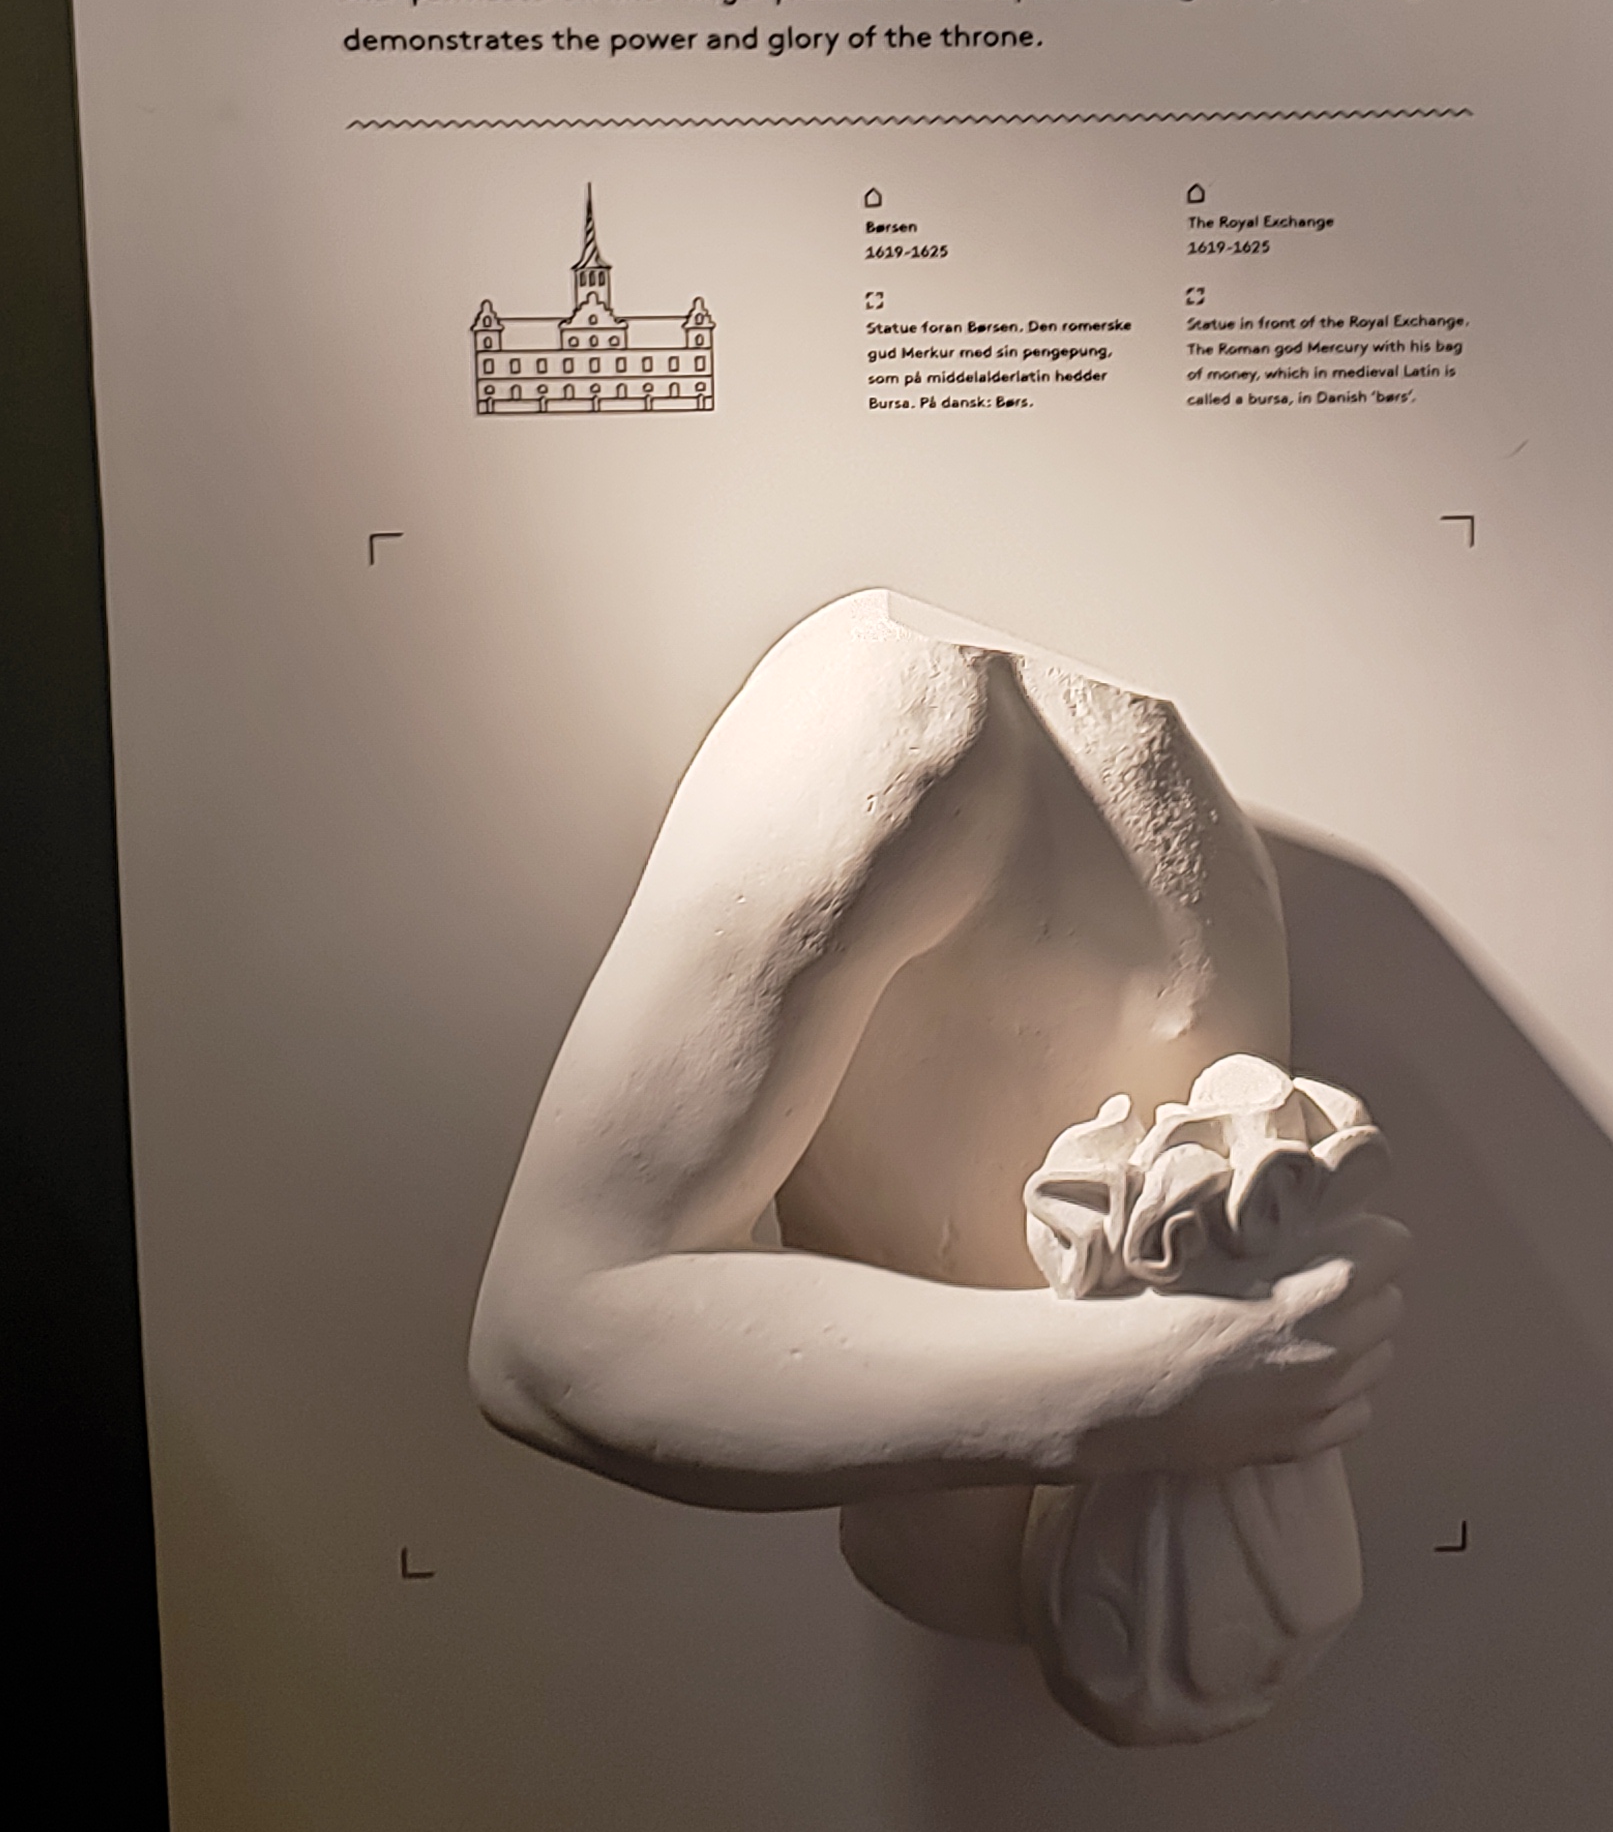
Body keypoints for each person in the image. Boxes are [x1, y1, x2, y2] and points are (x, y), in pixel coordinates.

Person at [471, 590, 1404, 1645]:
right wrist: (1149, 1383)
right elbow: (557, 1327)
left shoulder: (1165, 788)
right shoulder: (890, 719)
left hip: (1120, 1595)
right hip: (1011, 1582)